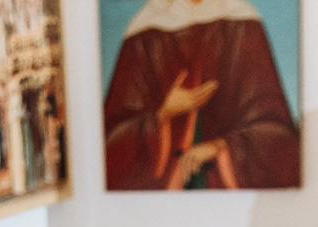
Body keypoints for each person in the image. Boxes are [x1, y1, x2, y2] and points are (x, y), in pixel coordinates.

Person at [101, 0, 299, 190]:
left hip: (225, 188)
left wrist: (220, 147)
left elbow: (275, 128)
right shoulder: (144, 31)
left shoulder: (243, 23)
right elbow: (111, 141)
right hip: (163, 194)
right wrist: (164, 113)